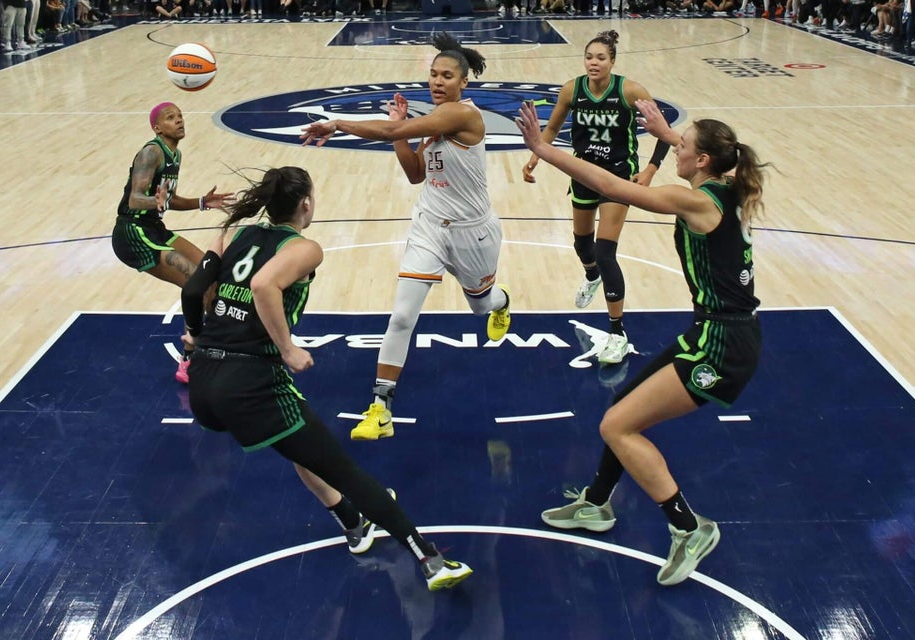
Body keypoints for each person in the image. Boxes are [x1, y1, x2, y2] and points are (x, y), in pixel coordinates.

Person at [178, 165, 474, 591]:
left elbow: (192, 291)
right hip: (251, 383)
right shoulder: (305, 248)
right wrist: (288, 348)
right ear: (306, 204)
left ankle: (352, 524)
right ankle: (429, 559)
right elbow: (263, 286)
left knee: (300, 442)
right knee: (346, 471)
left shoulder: (232, 234)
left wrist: (195, 336)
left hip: (205, 383)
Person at [516, 98, 768, 587]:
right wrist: (667, 133)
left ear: (701, 161)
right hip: (717, 331)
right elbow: (700, 157)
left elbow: (613, 187)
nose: (676, 146)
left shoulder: (694, 200)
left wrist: (543, 149)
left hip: (723, 344)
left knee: (618, 426)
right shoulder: (727, 184)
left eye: (683, 144)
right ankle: (596, 503)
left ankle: (688, 527)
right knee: (623, 401)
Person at [300, 33, 511, 441]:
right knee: (400, 317)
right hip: (430, 225)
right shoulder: (434, 123)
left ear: (463, 82)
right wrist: (400, 131)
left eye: (446, 76)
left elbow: (385, 133)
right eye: (433, 74)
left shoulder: (463, 116)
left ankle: (502, 302)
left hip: (473, 233)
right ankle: (381, 408)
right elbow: (416, 174)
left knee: (481, 307)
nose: (437, 82)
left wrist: (341, 122)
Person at [521, 30, 669, 364]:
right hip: (583, 173)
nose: (594, 63)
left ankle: (617, 332)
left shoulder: (630, 90)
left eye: (601, 58)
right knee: (582, 246)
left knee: (605, 252)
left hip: (618, 177)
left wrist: (650, 170)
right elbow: (553, 129)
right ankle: (592, 277)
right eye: (589, 57)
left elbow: (662, 129)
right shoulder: (572, 89)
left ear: (612, 62)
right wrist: (535, 157)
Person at [112, 102, 232, 383]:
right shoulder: (151, 153)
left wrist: (201, 202)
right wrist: (154, 200)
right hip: (133, 233)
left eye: (180, 116)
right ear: (157, 128)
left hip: (154, 227)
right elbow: (135, 199)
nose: (179, 120)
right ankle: (190, 358)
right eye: (170, 118)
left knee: (210, 271)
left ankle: (219, 342)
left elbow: (169, 199)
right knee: (194, 280)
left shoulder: (174, 154)